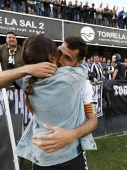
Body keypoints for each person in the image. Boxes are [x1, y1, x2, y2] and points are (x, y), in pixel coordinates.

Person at [14, 35, 97, 169]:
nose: (60, 61)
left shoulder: (84, 85)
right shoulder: (33, 77)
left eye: (68, 58)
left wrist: (71, 135)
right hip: (41, 157)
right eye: (59, 53)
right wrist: (27, 69)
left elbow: (93, 120)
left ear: (78, 63)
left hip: (69, 157)